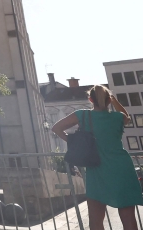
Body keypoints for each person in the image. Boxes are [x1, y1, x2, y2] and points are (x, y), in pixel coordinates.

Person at [51, 85, 143, 230]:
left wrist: (75, 143)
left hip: (96, 168)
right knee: (128, 217)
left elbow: (56, 128)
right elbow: (127, 117)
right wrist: (115, 102)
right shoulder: (118, 117)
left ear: (90, 99)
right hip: (122, 168)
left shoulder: (83, 115)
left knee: (96, 219)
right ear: (108, 101)